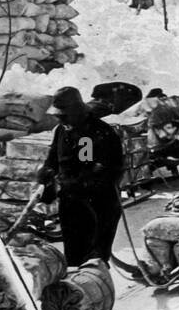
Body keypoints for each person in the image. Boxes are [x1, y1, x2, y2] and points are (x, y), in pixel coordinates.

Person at [36, 87, 125, 266]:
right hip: (71, 205)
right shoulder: (61, 131)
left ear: (76, 111)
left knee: (93, 262)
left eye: (64, 116)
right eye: (59, 116)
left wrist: (70, 185)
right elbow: (53, 159)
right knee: (73, 258)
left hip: (98, 207)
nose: (61, 120)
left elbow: (98, 172)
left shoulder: (96, 133)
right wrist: (46, 175)